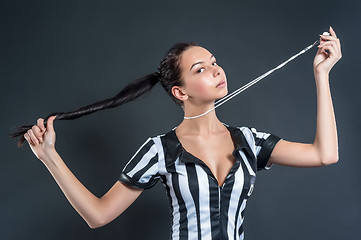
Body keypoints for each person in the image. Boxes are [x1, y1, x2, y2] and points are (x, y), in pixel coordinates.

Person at [15, 26, 341, 240]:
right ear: (180, 92)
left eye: (214, 62)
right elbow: (98, 216)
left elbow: (325, 155)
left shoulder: (249, 141)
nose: (216, 70)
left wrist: (322, 75)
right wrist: (49, 156)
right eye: (200, 69)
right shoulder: (160, 150)